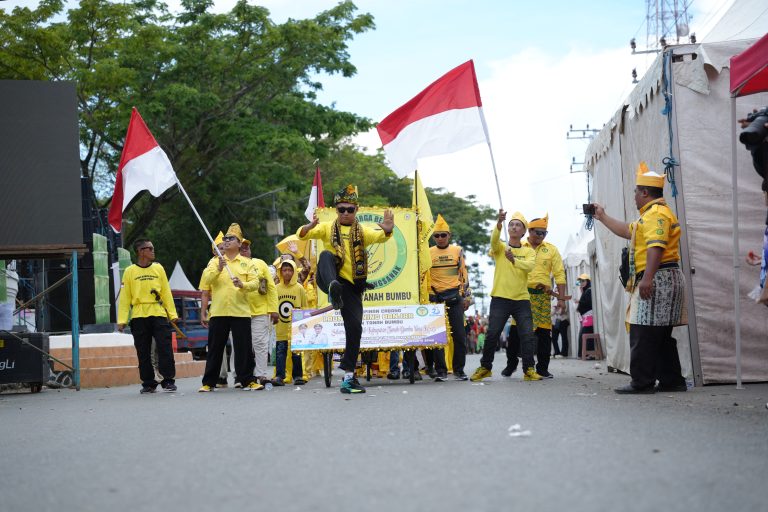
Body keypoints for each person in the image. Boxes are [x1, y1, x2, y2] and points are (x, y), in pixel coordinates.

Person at [592, 162, 688, 394]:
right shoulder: (651, 215)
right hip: (663, 275)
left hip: (658, 276)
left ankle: (642, 382)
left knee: (642, 332)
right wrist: (602, 217)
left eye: (635, 191)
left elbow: (657, 246)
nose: (634, 196)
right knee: (660, 335)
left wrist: (647, 278)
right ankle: (672, 380)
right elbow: (628, 231)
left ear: (644, 192)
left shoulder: (656, 214)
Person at [296, 184, 394, 394]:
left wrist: (387, 228)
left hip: (351, 288)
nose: (346, 213)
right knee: (325, 255)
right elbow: (303, 235)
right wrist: (308, 226)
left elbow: (382, 236)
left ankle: (349, 378)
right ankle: (334, 289)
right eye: (341, 209)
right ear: (336, 210)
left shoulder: (363, 232)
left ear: (356, 210)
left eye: (350, 209)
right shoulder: (326, 228)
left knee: (355, 328)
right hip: (329, 279)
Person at [470, 210, 541, 382]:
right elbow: (493, 241)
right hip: (500, 298)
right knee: (492, 334)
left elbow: (529, 267)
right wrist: (499, 223)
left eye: (518, 225)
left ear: (523, 232)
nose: (514, 227)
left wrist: (514, 260)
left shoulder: (529, 251)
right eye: (511, 224)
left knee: (527, 335)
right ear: (508, 229)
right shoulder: (501, 248)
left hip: (521, 299)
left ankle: (529, 369)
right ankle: (485, 367)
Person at [198, 223, 263, 391]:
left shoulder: (247, 263)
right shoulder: (215, 262)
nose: (226, 241)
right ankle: (208, 382)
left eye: (231, 238)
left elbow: (255, 283)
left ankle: (247, 380)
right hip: (218, 311)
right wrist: (218, 269)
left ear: (239, 243)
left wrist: (243, 284)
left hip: (240, 311)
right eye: (225, 239)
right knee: (215, 348)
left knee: (244, 348)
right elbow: (206, 281)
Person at [502, 214, 567, 378]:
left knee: (544, 333)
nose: (541, 236)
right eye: (538, 232)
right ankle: (511, 364)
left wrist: (561, 298)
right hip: (522, 296)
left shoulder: (551, 249)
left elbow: (559, 274)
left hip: (543, 297)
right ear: (529, 231)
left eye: (544, 233)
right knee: (516, 332)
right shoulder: (518, 247)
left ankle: (542, 368)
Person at [117, 238, 178, 394]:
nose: (152, 251)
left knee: (165, 348)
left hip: (158, 313)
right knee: (143, 351)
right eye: (149, 248)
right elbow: (125, 297)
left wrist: (172, 314)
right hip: (138, 315)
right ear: (140, 251)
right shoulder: (130, 271)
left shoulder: (158, 268)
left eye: (152, 248)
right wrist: (122, 320)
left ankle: (168, 380)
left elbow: (166, 292)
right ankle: (148, 383)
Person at [428, 214, 472, 380]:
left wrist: (467, 297)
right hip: (435, 298)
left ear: (449, 235)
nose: (440, 238)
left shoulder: (457, 251)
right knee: (437, 338)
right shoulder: (428, 252)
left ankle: (459, 370)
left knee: (459, 336)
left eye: (443, 235)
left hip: (455, 297)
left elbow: (463, 274)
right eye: (437, 236)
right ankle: (441, 371)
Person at [240, 239, 278, 386]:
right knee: (241, 346)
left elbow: (271, 287)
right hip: (239, 311)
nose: (245, 250)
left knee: (261, 344)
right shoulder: (231, 266)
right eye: (242, 247)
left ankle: (261, 375)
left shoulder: (260, 264)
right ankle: (240, 376)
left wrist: (273, 310)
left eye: (247, 247)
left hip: (260, 311)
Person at [273, 259, 307, 386]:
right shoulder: (276, 288)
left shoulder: (299, 288)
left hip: (296, 326)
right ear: (280, 272)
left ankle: (298, 376)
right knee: (280, 351)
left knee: (296, 352)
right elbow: (273, 305)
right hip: (281, 326)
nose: (287, 273)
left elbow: (304, 306)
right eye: (284, 270)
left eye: (290, 270)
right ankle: (279, 376)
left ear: (294, 272)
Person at [574, 274, 594, 359]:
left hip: (589, 316)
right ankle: (584, 354)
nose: (581, 283)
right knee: (584, 335)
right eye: (580, 281)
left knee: (585, 334)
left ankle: (588, 354)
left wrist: (579, 302)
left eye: (583, 281)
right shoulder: (585, 291)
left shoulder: (589, 290)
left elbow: (589, 303)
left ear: (588, 281)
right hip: (585, 317)